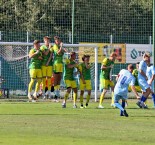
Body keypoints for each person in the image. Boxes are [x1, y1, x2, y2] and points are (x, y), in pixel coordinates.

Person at [52, 36, 66, 101]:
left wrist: (62, 48)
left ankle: (57, 94)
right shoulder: (55, 46)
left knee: (59, 80)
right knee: (55, 80)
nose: (58, 42)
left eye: (59, 40)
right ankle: (55, 95)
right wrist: (61, 47)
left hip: (61, 64)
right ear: (55, 41)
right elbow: (58, 52)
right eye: (57, 41)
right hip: (56, 64)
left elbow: (65, 51)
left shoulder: (60, 46)